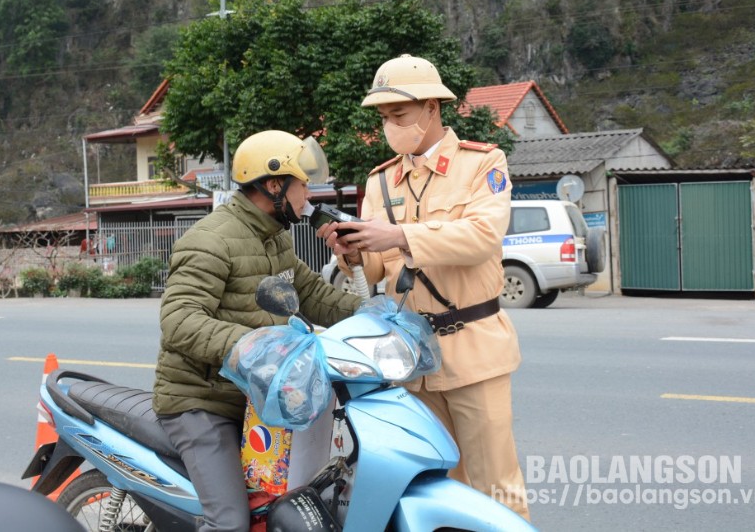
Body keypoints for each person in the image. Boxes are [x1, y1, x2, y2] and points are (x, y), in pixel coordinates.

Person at [317, 54, 530, 521]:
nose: (390, 125)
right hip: (411, 358)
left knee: (496, 485)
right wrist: (351, 251)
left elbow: (481, 237)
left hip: (474, 350)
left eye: (400, 114)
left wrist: (399, 236)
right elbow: (373, 271)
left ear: (432, 108)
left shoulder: (482, 163)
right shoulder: (381, 179)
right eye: (384, 117)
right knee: (433, 488)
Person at [153, 129, 362, 532]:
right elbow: (179, 320)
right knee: (231, 522)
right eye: (303, 186)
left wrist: (374, 315)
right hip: (204, 402)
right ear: (273, 185)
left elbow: (313, 294)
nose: (309, 198)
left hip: (261, 399)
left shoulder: (274, 238)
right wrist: (253, 346)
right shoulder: (212, 239)